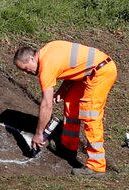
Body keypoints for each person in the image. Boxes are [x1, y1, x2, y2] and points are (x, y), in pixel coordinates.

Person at [14, 41, 117, 177]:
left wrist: (39, 134)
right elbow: (74, 67)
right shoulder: (48, 50)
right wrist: (63, 90)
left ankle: (97, 166)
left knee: (90, 114)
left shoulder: (46, 66)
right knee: (71, 103)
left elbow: (46, 105)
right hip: (89, 72)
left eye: (26, 68)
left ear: (32, 58)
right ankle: (68, 148)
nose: (28, 73)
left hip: (100, 72)